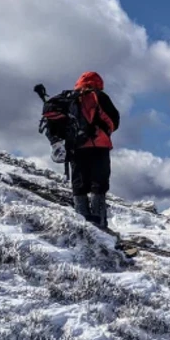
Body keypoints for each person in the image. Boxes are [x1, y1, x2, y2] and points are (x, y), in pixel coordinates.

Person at [70, 71, 119, 229]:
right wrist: (103, 130)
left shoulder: (70, 99)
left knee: (79, 183)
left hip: (76, 147)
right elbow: (113, 120)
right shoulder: (99, 96)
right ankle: (100, 225)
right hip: (99, 145)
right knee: (99, 183)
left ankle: (82, 224)